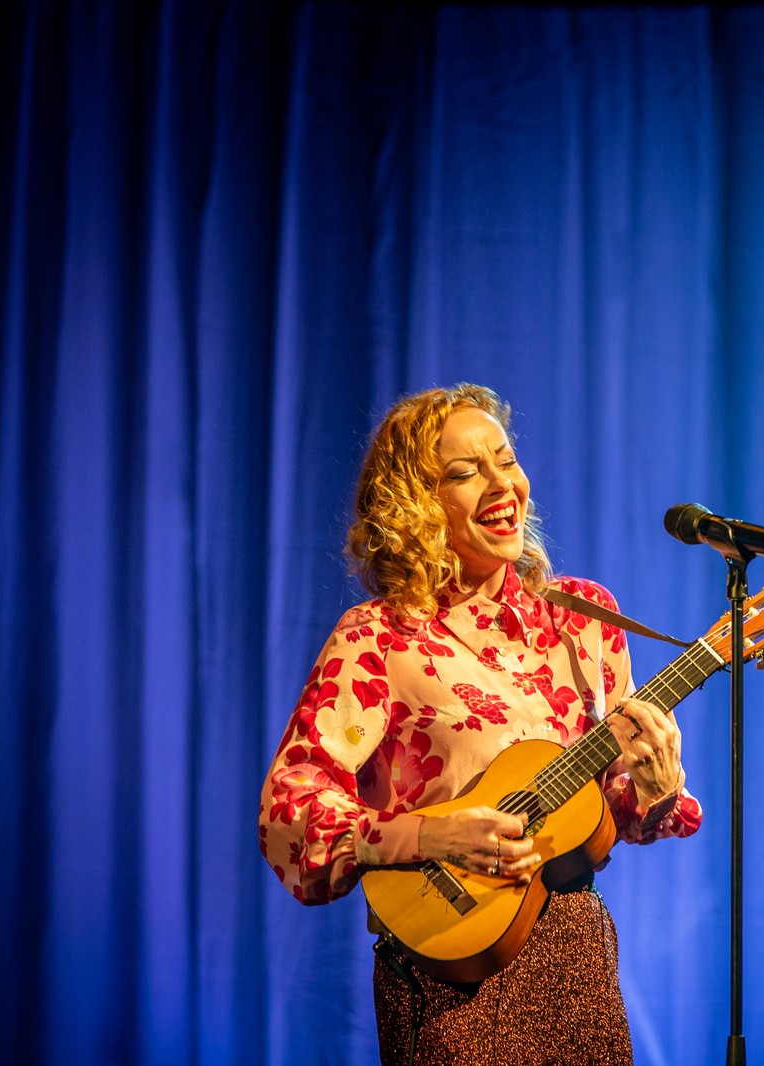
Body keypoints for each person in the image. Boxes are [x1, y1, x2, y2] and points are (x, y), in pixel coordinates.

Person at [259, 383, 701, 1064]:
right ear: (417, 506)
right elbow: (290, 812)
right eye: (465, 473)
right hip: (448, 978)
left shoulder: (584, 620)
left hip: (576, 960)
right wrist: (428, 835)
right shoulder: (380, 638)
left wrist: (655, 783)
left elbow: (614, 815)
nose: (502, 484)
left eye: (505, 460)